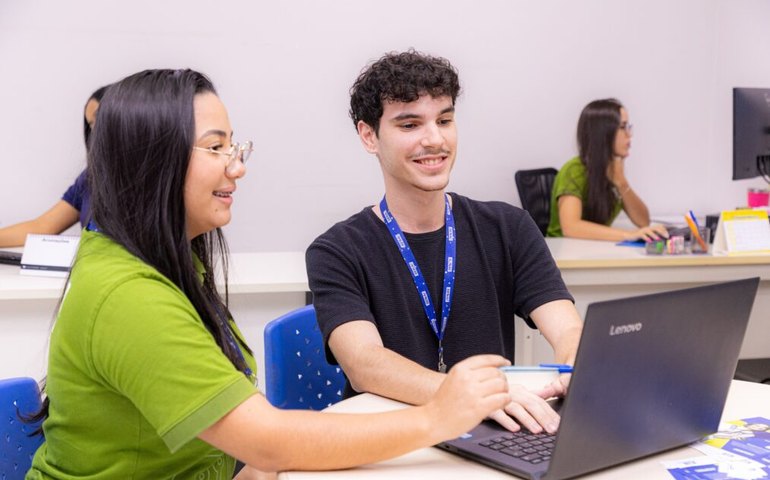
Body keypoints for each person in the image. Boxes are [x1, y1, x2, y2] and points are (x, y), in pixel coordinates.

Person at [26, 69, 512, 479]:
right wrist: (437, 417)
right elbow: (266, 439)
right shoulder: (128, 296)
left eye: (235, 146)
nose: (236, 167)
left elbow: (244, 441)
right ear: (154, 161)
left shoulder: (163, 259)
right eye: (216, 148)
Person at [305, 50, 583, 436]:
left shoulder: (508, 227)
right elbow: (364, 363)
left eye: (445, 120)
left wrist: (575, 363)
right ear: (369, 136)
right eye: (410, 124)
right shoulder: (337, 250)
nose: (434, 139)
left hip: (495, 435)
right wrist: (472, 396)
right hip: (391, 438)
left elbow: (568, 330)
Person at [0, 85, 108, 248]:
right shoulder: (90, 178)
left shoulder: (154, 179)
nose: (95, 132)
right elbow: (42, 227)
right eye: (91, 125)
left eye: (100, 119)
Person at [546, 98, 669, 241]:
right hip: (564, 253)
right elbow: (571, 227)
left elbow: (643, 222)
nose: (629, 135)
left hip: (590, 249)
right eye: (623, 127)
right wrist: (628, 235)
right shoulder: (574, 170)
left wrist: (622, 183)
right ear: (603, 133)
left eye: (629, 127)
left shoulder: (611, 170)